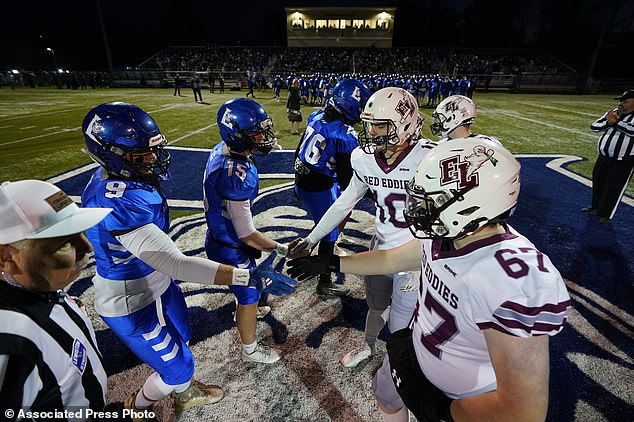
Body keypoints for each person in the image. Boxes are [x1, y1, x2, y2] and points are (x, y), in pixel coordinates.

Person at [288, 138, 571, 422]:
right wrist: (333, 262)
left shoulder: (513, 277)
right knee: (386, 398)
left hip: (463, 399)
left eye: (431, 199)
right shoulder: (445, 234)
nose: (416, 208)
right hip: (416, 350)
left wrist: (439, 410)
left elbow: (522, 413)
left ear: (470, 206)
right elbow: (392, 259)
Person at [81, 102, 297, 416]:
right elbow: (177, 263)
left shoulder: (121, 181)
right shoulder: (117, 199)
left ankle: (184, 390)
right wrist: (246, 276)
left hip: (156, 282)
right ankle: (133, 409)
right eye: (141, 155)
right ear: (111, 153)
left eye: (153, 149)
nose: (153, 159)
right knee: (179, 368)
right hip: (132, 300)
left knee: (182, 335)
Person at [289, 87, 434, 368]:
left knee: (401, 326)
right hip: (378, 249)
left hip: (413, 259)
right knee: (375, 308)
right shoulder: (366, 158)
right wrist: (311, 239)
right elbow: (344, 203)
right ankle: (368, 347)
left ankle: (398, 370)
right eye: (369, 125)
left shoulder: (429, 158)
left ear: (405, 124)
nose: (372, 132)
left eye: (380, 126)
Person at [0, 179, 111, 418]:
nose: (87, 247)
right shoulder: (9, 340)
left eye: (80, 233)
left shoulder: (36, 289)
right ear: (5, 257)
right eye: (63, 242)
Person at [204, 98, 293, 364]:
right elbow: (246, 233)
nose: (263, 138)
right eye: (256, 133)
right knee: (250, 294)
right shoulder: (234, 174)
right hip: (230, 245)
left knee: (248, 292)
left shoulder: (223, 151)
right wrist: (280, 248)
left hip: (223, 237)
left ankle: (245, 307)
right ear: (236, 135)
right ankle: (250, 350)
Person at [293, 78, 371, 297]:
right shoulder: (345, 135)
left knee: (337, 212)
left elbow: (299, 151)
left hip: (305, 179)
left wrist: (295, 179)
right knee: (328, 233)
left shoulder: (316, 115)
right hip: (319, 185)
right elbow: (348, 183)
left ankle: (338, 234)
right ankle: (325, 282)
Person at [583, 89, 634, 224]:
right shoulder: (613, 113)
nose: (621, 104)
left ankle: (607, 214)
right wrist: (608, 122)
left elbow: (632, 131)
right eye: (621, 101)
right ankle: (595, 207)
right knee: (599, 182)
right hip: (604, 156)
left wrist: (616, 123)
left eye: (626, 101)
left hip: (624, 159)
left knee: (614, 187)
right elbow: (594, 126)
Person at [430, 94, 500, 144]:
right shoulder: (442, 144)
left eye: (441, 118)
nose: (437, 123)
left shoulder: (486, 144)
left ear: (453, 118)